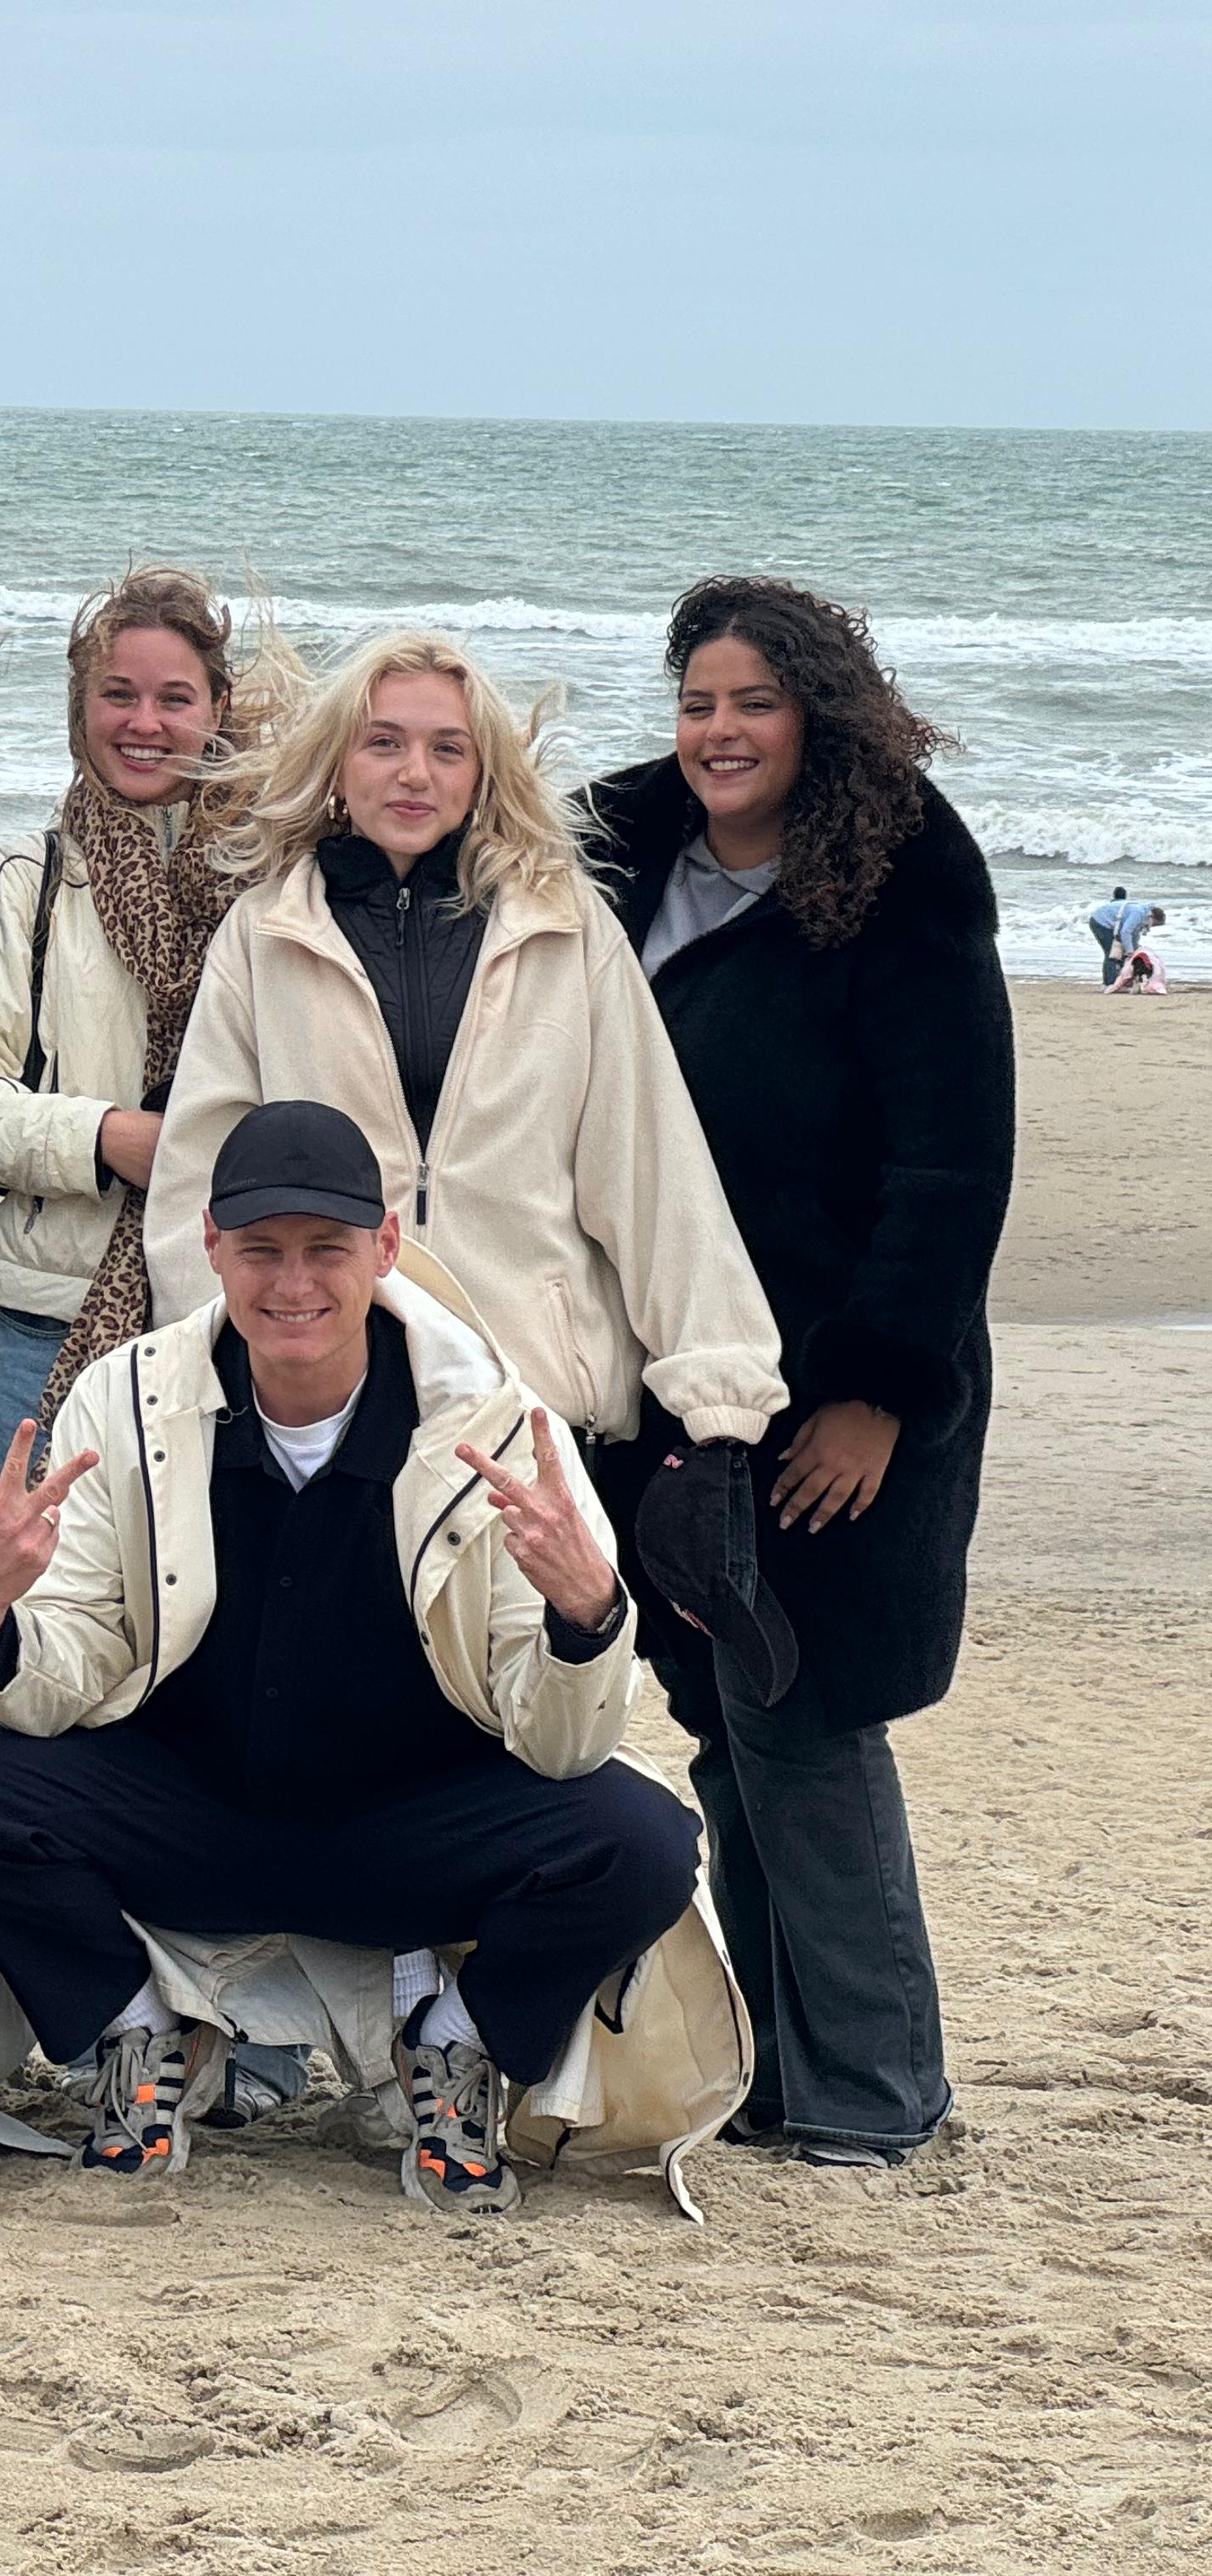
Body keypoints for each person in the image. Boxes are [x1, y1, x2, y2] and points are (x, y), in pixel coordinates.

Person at [0, 1102, 741, 2214]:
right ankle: (139, 2037)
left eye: (326, 1250)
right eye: (262, 1252)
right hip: (190, 1810)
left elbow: (565, 1745)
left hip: (413, 1830)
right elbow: (65, 1685)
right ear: (213, 1252)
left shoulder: (492, 1418)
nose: (293, 1285)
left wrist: (587, 1617)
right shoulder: (126, 1400)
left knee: (644, 1842)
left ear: (385, 1249)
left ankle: (456, 2044)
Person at [580, 578, 1015, 2168]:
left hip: (836, 1382)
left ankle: (874, 2088)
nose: (716, 731)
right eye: (696, 701)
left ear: (815, 713)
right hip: (669, 1370)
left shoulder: (901, 875)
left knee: (809, 1710)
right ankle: (777, 2070)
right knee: (718, 1703)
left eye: (751, 702)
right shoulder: (617, 857)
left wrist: (876, 1388)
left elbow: (952, 1160)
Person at [142, 632, 789, 1635]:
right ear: (335, 765)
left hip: (537, 1404)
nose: (414, 773)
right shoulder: (266, 933)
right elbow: (201, 1189)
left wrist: (720, 1415)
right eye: (384, 743)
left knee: (537, 1720)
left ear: (484, 771)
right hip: (336, 1400)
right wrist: (229, 1376)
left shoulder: (567, 927)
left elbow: (654, 1173)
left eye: (448, 749)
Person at [0, 567, 273, 1476]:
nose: (143, 724)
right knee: (33, 1601)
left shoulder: (279, 877)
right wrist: (106, 1138)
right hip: (48, 1316)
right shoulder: (32, 878)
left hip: (234, 1311)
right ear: (81, 707)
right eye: (118, 694)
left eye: (173, 698)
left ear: (218, 706)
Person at [1088, 885, 1163, 987]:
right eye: (1154, 924)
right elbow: (1126, 932)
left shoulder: (1142, 918)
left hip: (1113, 924)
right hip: (1100, 922)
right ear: (1151, 917)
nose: (1152, 927)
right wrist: (1130, 951)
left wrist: (1134, 949)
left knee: (1124, 953)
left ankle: (1123, 980)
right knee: (1113, 952)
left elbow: (1134, 935)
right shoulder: (1139, 913)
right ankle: (1109, 983)